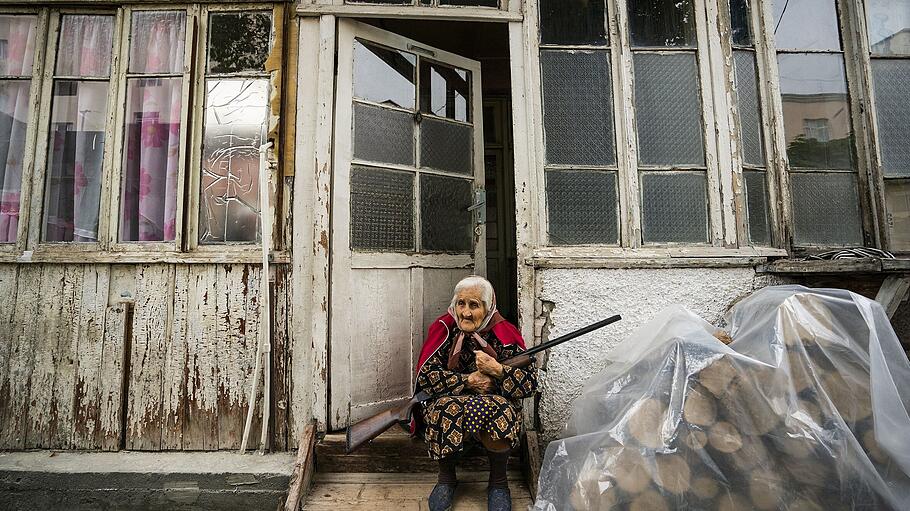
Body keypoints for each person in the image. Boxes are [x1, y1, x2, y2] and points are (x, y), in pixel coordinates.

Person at [412, 275, 538, 511]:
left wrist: (499, 371)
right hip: (452, 402)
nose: (466, 313)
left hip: (493, 403)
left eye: (474, 305)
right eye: (461, 304)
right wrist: (467, 380)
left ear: (488, 308)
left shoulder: (504, 333)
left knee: (500, 408)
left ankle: (499, 484)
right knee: (444, 407)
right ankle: (447, 479)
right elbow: (426, 378)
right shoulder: (444, 331)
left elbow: (530, 383)